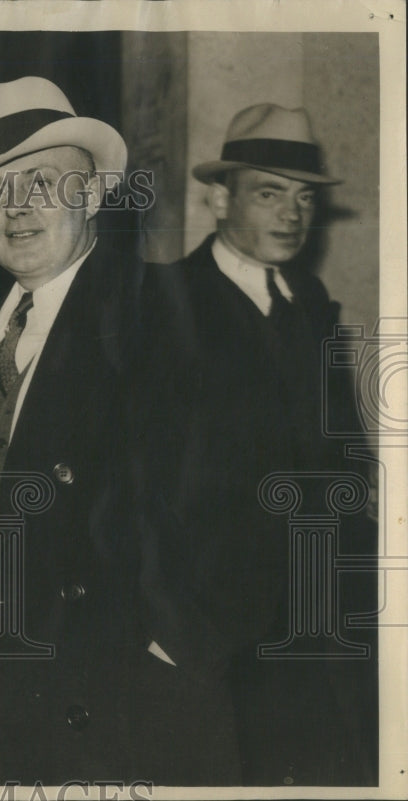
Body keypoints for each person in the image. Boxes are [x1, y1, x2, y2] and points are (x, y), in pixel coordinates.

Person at [0, 77, 231, 785]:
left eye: (41, 181)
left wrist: (174, 647)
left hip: (105, 712)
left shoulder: (165, 316)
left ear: (91, 193)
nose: (16, 208)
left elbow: (241, 505)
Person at [135, 103, 377, 785]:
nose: (292, 215)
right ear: (218, 198)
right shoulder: (165, 302)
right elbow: (136, 482)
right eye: (269, 193)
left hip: (323, 634)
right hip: (216, 641)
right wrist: (172, 630)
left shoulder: (308, 297)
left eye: (303, 198)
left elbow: (339, 452)